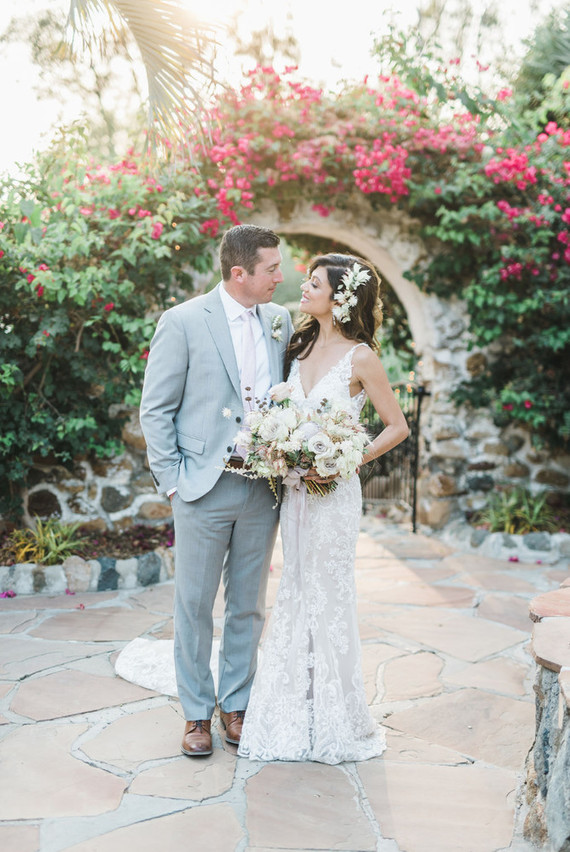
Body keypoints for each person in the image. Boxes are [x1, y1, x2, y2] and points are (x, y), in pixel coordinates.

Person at [238, 253, 409, 764]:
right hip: (295, 493)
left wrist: (347, 460)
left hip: (333, 495)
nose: (302, 288)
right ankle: (294, 704)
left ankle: (337, 716)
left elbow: (397, 426)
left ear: (340, 298)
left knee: (328, 594)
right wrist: (278, 446)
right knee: (295, 586)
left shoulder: (361, 358)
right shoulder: (299, 344)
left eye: (313, 283)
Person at [140, 224, 294, 757]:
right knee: (194, 605)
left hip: (262, 487)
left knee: (248, 606)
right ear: (239, 273)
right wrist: (173, 482)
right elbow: (155, 409)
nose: (281, 276)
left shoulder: (280, 321)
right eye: (271, 268)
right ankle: (196, 715)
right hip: (203, 487)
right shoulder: (182, 321)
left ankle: (237, 705)